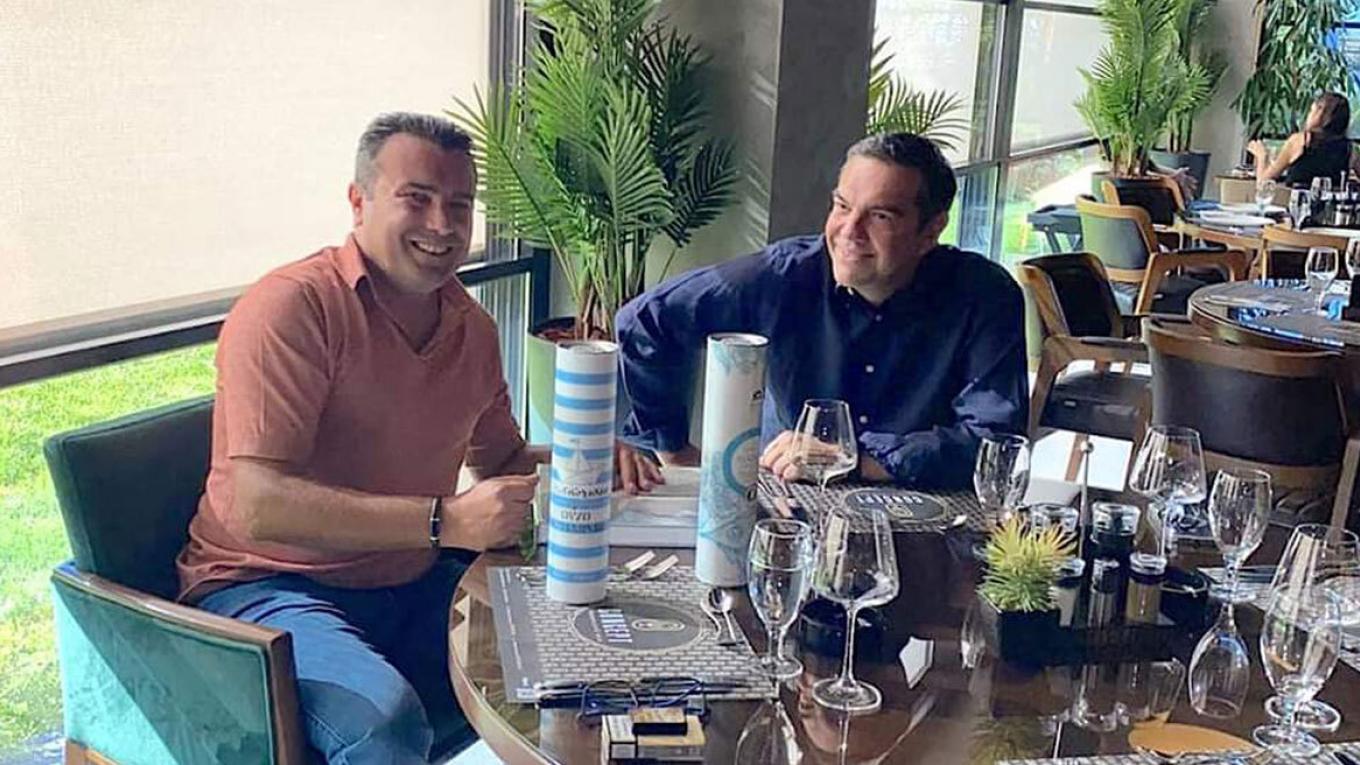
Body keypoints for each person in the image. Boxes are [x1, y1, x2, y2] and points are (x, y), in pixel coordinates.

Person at [176, 112, 659, 764]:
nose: (443, 224)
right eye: (417, 198)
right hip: (266, 588)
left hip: (408, 579)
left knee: (582, 653)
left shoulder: (472, 328)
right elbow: (256, 505)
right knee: (385, 725)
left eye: (459, 205)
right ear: (358, 202)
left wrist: (588, 456)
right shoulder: (294, 308)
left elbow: (503, 460)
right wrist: (444, 520)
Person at [614, 133, 1028, 490]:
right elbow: (645, 322)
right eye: (842, 206)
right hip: (788, 509)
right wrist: (673, 450)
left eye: (880, 216)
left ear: (930, 231)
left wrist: (856, 458)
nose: (849, 231)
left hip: (930, 516)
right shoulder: (781, 276)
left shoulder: (983, 295)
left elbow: (996, 445)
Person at [1249, 92, 1357, 187]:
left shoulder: (1299, 142)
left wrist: (1262, 156)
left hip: (1295, 202)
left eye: (1311, 111)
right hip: (1331, 204)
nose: (1308, 115)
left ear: (1319, 115)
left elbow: (1263, 182)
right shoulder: (1350, 149)